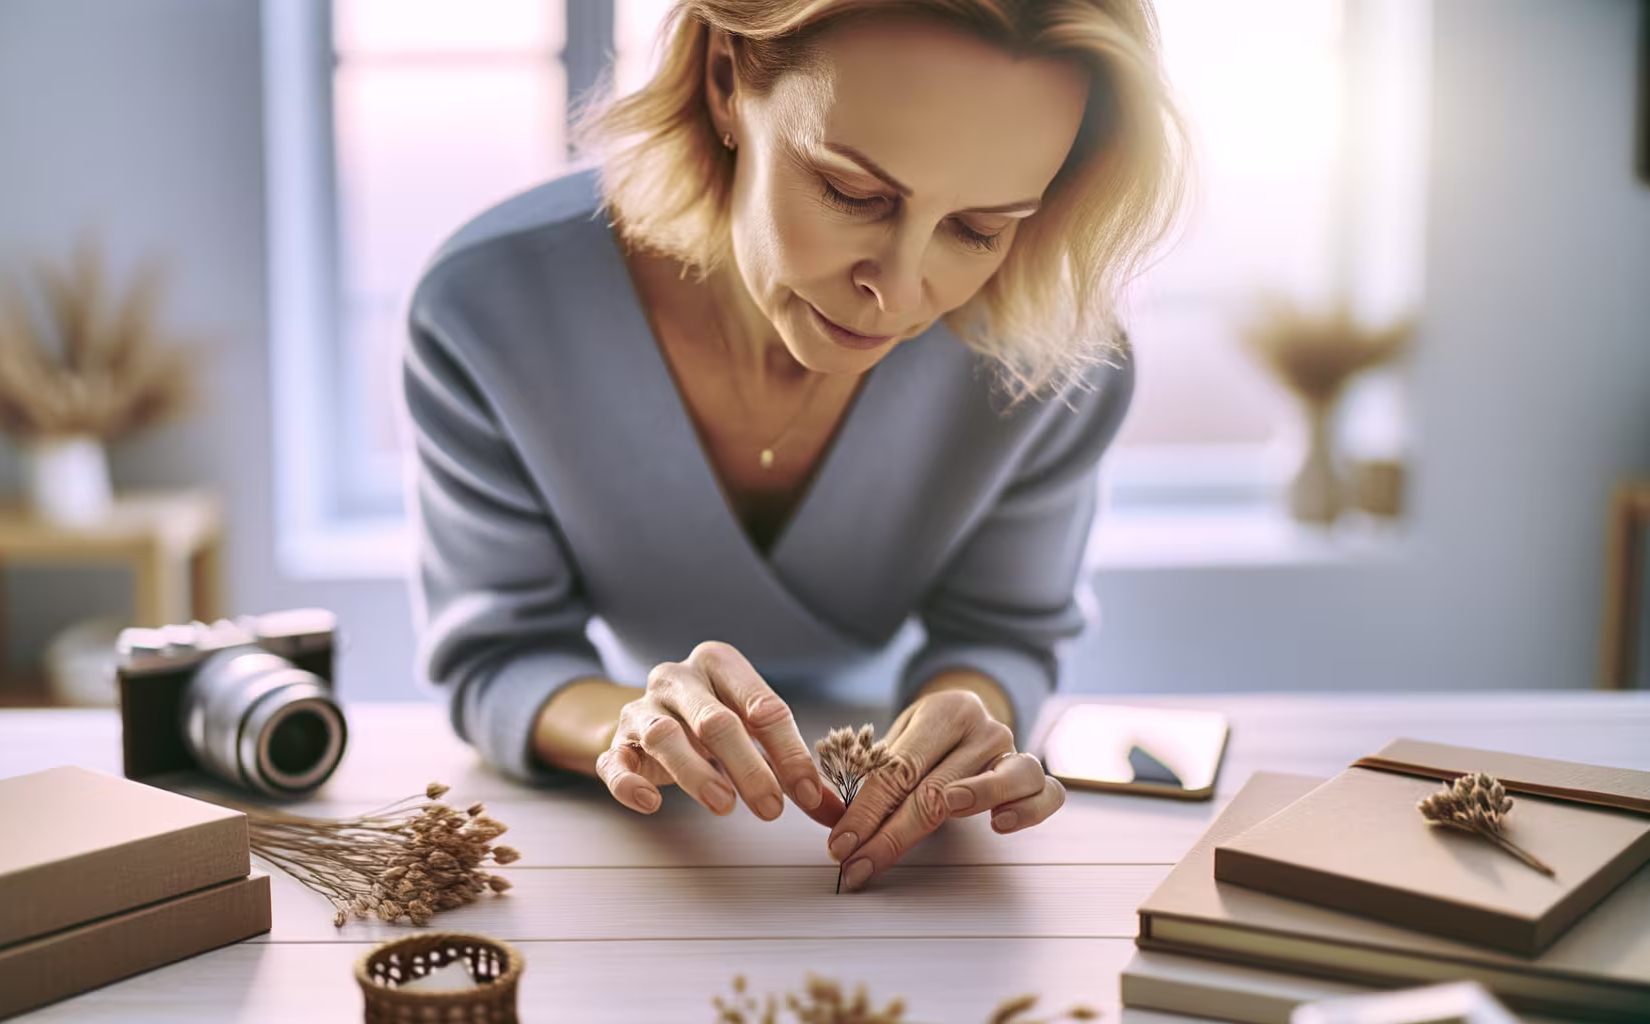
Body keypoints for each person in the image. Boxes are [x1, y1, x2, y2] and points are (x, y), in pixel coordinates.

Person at [403, 0, 1186, 893]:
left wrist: (967, 715)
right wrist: (634, 725)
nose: (894, 293)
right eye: (854, 194)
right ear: (727, 81)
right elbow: (499, 655)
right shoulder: (487, 307)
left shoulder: (1059, 361)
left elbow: (1003, 632)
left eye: (980, 229)